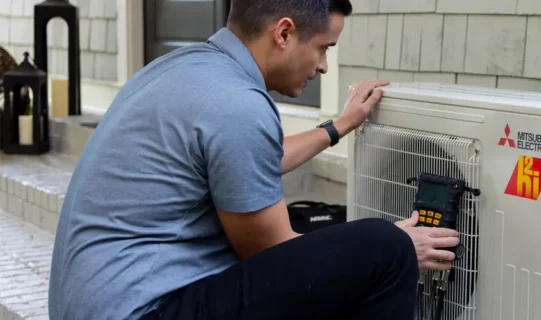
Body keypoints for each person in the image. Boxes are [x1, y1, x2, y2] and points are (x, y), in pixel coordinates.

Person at [46, 0, 461, 319]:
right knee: (382, 247)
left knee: (324, 229)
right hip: (146, 309)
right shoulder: (238, 104)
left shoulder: (186, 70)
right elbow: (277, 255)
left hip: (96, 302)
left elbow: (250, 161)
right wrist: (405, 246)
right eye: (322, 48)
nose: (322, 66)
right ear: (283, 33)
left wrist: (340, 125)